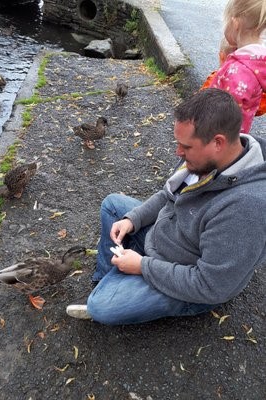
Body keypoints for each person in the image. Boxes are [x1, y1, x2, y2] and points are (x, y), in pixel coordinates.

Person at [66, 88, 266, 325]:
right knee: (113, 206)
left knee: (101, 308)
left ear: (218, 143)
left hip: (191, 277)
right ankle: (107, 280)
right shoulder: (204, 159)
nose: (178, 153)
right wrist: (133, 220)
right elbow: (168, 196)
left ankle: (117, 285)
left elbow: (211, 285)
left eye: (186, 147)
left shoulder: (246, 208)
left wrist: (142, 266)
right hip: (166, 236)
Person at [205, 0, 266, 133]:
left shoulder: (238, 71)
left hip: (218, 139)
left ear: (235, 24)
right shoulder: (256, 63)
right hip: (234, 139)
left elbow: (224, 113)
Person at [201, 37, 266, 117]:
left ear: (222, 57)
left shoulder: (215, 79)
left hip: (209, 122)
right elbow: (258, 109)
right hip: (236, 126)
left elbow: (200, 101)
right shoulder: (254, 87)